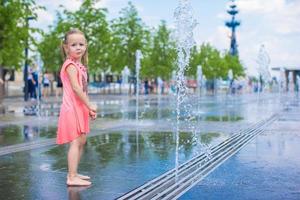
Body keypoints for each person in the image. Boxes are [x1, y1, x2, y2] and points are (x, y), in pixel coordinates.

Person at [56, 28, 97, 186]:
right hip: (71, 108)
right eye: (74, 45)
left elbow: (84, 89)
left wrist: (88, 109)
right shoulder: (70, 66)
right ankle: (71, 177)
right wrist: (90, 104)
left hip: (80, 107)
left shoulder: (80, 66)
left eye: (81, 44)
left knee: (81, 141)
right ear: (66, 47)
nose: (78, 47)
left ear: (86, 45)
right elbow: (76, 88)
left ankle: (73, 173)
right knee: (75, 142)